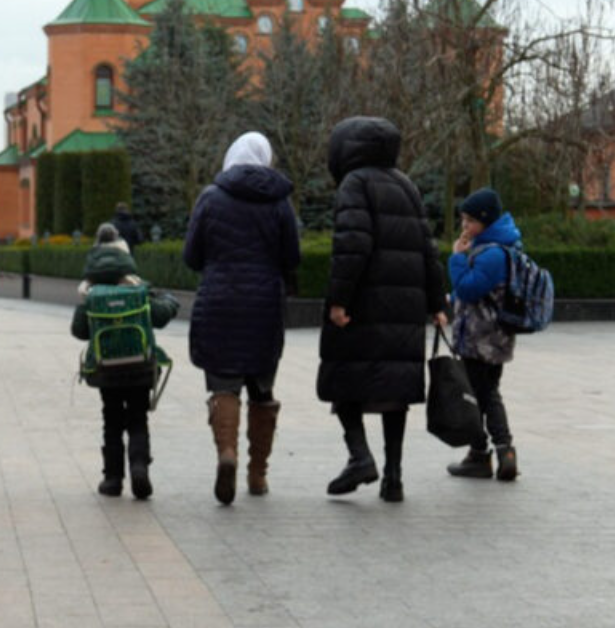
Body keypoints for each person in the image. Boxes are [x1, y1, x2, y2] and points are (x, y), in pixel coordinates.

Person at [318, 117, 447, 504]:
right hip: (404, 308)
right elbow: (428, 248)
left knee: (343, 378)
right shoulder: (406, 184)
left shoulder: (354, 183)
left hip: (364, 305)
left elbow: (351, 246)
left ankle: (360, 457)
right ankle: (393, 478)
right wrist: (437, 303)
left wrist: (339, 300)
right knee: (395, 391)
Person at [183, 132, 302, 505]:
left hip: (219, 303)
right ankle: (258, 473)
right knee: (262, 390)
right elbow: (292, 257)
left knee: (224, 385)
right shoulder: (279, 201)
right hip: (264, 306)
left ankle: (227, 453)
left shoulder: (210, 197)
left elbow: (191, 256)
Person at [72, 224, 179, 499]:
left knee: (112, 420)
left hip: (106, 370)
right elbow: (160, 316)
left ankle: (112, 480)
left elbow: (78, 330)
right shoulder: (136, 286)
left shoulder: (90, 292)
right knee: (137, 418)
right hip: (139, 367)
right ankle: (139, 467)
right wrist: (170, 301)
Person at [445, 188, 522, 482]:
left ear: (486, 220)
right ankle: (496, 453)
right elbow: (479, 291)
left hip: (481, 338)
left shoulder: (493, 253)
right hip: (494, 337)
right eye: (463, 220)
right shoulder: (499, 246)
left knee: (480, 395)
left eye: (470, 221)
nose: (464, 226)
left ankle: (488, 454)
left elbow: (469, 288)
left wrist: (457, 258)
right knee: (486, 393)